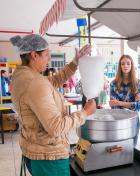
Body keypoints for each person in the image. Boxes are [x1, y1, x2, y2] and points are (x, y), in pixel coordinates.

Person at [10, 34, 96, 176]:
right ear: (34, 55)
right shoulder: (35, 82)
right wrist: (85, 112)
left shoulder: (22, 76)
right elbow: (56, 127)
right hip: (49, 157)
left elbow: (54, 81)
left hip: (34, 150)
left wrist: (75, 62)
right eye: (46, 54)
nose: (49, 58)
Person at [109, 54, 140, 146]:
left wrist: (119, 103)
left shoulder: (139, 83)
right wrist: (131, 104)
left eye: (128, 64)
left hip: (133, 121)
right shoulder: (113, 84)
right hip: (118, 122)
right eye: (123, 64)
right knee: (117, 148)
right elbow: (114, 106)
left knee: (132, 149)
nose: (125, 66)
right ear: (119, 66)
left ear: (132, 65)